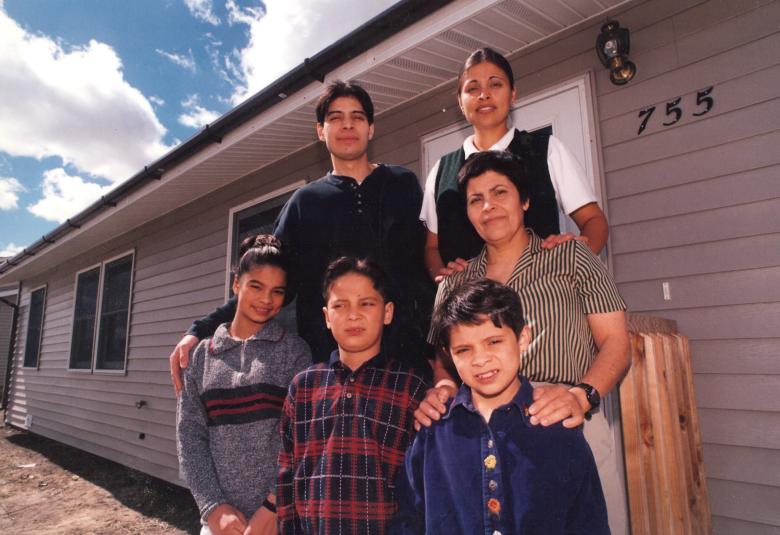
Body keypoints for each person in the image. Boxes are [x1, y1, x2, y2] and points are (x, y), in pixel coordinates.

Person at [169, 81, 432, 394]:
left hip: (405, 363)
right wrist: (200, 330)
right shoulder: (305, 203)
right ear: (320, 131)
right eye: (335, 118)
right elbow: (270, 278)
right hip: (332, 371)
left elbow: (426, 268)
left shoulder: (402, 184)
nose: (347, 124)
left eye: (357, 117)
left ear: (371, 128)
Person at [416, 150, 630, 534]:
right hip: (484, 430)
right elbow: (443, 362)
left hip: (569, 419)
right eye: (476, 199)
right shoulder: (454, 283)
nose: (489, 207)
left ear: (525, 200)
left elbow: (616, 342)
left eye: (500, 192)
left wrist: (581, 396)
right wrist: (444, 388)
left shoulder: (571, 256)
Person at [394, 279, 609, 534]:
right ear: (448, 355)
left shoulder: (559, 428)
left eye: (494, 342)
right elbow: (408, 522)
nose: (481, 359)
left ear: (522, 339)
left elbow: (589, 524)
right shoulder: (433, 433)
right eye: (464, 350)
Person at [420, 47, 609, 281]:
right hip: (469, 308)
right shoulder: (441, 171)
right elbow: (431, 247)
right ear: (460, 102)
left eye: (495, 84)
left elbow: (594, 221)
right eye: (472, 88)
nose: (484, 95)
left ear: (512, 95)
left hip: (539, 303)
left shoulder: (546, 150)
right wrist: (444, 277)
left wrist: (570, 266)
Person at [276, 257, 428, 534]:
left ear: (388, 312)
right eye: (340, 305)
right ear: (326, 317)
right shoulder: (303, 387)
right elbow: (288, 474)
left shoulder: (411, 388)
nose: (353, 314)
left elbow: (423, 484)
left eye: (366, 303)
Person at [177, 235, 311, 535]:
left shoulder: (294, 352)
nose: (266, 300)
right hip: (220, 523)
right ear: (236, 284)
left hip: (280, 520)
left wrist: (274, 504)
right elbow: (190, 437)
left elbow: (301, 437)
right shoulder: (202, 356)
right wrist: (213, 508)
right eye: (256, 286)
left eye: (277, 291)